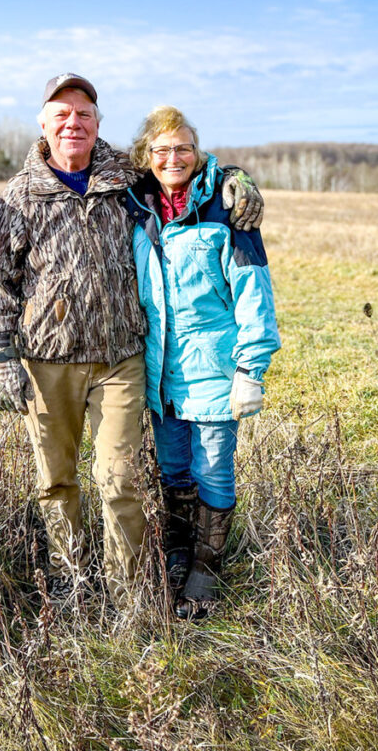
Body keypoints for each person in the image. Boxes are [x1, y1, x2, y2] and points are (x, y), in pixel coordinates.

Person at [0, 74, 264, 609]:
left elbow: (180, 166)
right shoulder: (17, 198)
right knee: (56, 483)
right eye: (61, 113)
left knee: (121, 481)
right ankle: (71, 579)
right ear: (43, 123)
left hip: (121, 361)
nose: (73, 123)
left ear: (98, 123)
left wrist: (239, 180)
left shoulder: (123, 179)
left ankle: (128, 591)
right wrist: (0, 358)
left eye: (83, 113)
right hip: (47, 362)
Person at [126, 105, 280, 619]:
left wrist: (249, 369)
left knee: (213, 471)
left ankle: (205, 568)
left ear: (198, 153)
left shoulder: (226, 208)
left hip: (214, 370)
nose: (175, 158)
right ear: (147, 156)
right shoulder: (136, 206)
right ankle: (175, 555)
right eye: (163, 149)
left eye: (184, 148)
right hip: (162, 374)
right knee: (173, 472)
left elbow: (253, 288)